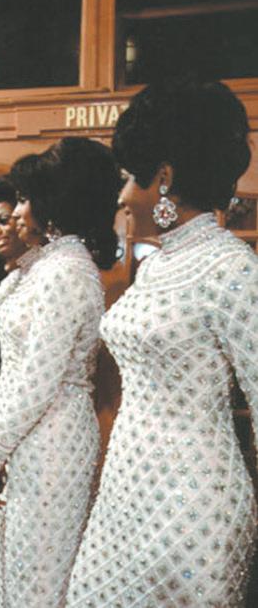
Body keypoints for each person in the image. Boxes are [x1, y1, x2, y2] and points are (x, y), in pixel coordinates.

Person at [67, 79, 258, 606]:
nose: (123, 195)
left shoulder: (233, 269)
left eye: (132, 177)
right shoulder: (155, 265)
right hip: (126, 490)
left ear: (165, 178)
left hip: (193, 508)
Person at [0, 137, 120, 607]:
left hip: (52, 437)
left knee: (41, 578)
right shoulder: (39, 267)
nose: (17, 211)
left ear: (55, 202)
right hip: (27, 434)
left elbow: (40, 380)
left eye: (26, 199)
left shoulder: (66, 271)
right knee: (19, 570)